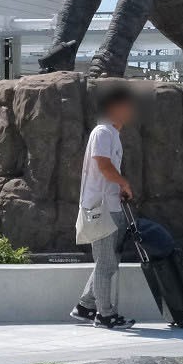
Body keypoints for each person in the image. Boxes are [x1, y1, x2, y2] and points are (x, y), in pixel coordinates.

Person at [70, 83, 137, 330]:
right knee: (106, 263)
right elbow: (103, 165)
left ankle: (85, 306)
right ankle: (105, 315)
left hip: (109, 206)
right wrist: (124, 183)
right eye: (127, 105)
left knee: (109, 260)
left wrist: (119, 187)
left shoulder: (112, 134)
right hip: (101, 208)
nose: (130, 110)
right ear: (114, 107)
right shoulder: (103, 132)